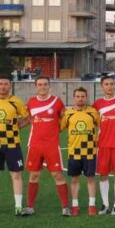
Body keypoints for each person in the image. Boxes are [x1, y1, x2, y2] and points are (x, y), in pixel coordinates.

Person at [0, 76, 30, 217]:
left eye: (6, 84)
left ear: (10, 86)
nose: (3, 86)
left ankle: (19, 206)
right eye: (0, 84)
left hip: (12, 144)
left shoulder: (17, 102)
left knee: (16, 175)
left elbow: (27, 117)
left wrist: (18, 126)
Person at [22, 76, 69, 217]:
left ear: (49, 86)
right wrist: (14, 127)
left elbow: (64, 120)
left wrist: (56, 130)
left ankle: (65, 207)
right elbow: (29, 119)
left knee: (57, 175)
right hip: (35, 145)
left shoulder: (57, 102)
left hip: (51, 145)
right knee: (34, 175)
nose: (42, 87)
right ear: (36, 87)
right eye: (40, 84)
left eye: (45, 84)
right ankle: (30, 207)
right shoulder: (31, 102)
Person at [61, 87, 100, 216]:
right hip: (74, 152)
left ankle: (92, 205)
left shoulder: (93, 112)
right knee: (74, 180)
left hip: (90, 152)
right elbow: (59, 128)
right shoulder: (68, 113)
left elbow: (102, 126)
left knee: (90, 179)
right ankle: (75, 205)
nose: (80, 99)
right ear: (74, 98)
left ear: (86, 97)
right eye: (78, 96)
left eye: (82, 96)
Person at [93, 75, 115, 215]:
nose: (109, 86)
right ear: (102, 86)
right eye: (106, 84)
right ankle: (105, 205)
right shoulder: (97, 104)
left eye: (112, 84)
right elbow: (93, 121)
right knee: (103, 175)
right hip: (103, 145)